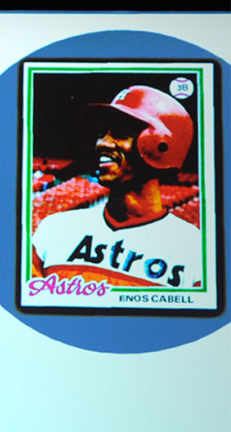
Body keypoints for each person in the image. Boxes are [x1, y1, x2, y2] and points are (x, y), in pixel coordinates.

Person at [31, 85, 201, 288]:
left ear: (160, 146)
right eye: (102, 133)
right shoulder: (55, 229)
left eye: (119, 133)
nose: (102, 143)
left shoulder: (194, 249)